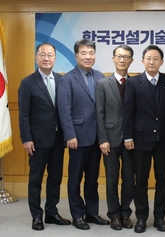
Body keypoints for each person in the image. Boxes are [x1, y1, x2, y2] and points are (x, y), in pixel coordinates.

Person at [122, 44, 165, 233]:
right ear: (142, 61)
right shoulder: (133, 83)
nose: (152, 62)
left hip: (163, 139)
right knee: (141, 180)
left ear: (161, 62)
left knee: (163, 179)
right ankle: (142, 217)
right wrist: (127, 136)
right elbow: (128, 112)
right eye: (148, 58)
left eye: (156, 59)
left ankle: (160, 217)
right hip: (140, 138)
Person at [18, 43, 71, 231]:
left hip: (58, 139)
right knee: (36, 180)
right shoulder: (28, 82)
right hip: (37, 141)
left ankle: (51, 212)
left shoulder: (62, 80)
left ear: (55, 58)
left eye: (50, 55)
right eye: (42, 55)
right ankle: (36, 216)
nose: (46, 58)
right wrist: (26, 139)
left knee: (55, 178)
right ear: (36, 57)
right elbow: (23, 114)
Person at [57, 39, 108, 230]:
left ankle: (92, 213)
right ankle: (78, 215)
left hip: (97, 137)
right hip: (77, 137)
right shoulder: (67, 79)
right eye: (84, 53)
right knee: (75, 178)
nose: (88, 57)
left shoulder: (100, 77)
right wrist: (70, 135)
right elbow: (64, 110)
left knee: (93, 178)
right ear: (76, 55)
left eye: (91, 53)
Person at [95, 44, 135, 230]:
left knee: (129, 178)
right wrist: (102, 139)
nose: (122, 59)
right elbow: (99, 113)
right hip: (109, 139)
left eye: (126, 57)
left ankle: (126, 213)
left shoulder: (135, 83)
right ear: (113, 59)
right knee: (112, 178)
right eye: (119, 56)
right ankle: (114, 215)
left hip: (130, 140)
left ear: (132, 61)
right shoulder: (103, 84)